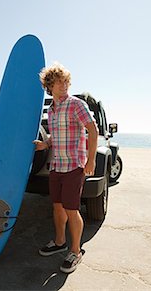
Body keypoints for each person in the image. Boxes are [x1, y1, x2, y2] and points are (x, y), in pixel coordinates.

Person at [34, 62, 98, 273]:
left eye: (66, 82)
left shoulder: (76, 104)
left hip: (73, 166)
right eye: (59, 82)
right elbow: (56, 134)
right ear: (49, 86)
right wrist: (46, 144)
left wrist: (91, 160)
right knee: (58, 207)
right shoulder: (51, 111)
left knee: (72, 210)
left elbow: (92, 129)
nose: (64, 85)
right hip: (57, 166)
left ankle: (75, 250)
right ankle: (59, 241)